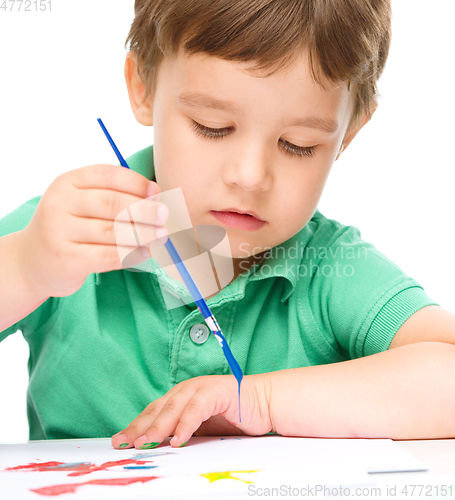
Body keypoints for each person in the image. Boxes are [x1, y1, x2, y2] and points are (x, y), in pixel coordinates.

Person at [2, 0, 455, 450]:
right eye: (212, 127)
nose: (251, 175)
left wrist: (262, 400)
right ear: (143, 87)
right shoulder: (65, 233)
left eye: (297, 145)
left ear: (347, 133)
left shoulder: (331, 267)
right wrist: (24, 268)